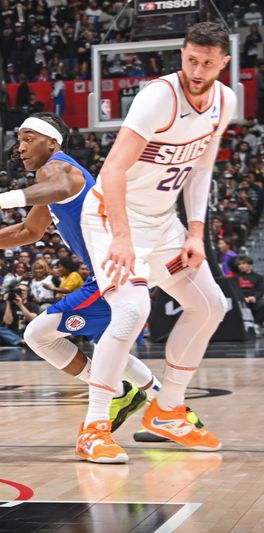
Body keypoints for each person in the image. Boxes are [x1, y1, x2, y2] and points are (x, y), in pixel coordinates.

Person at [0, 112, 169, 457]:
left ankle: (123, 396)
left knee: (38, 334)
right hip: (118, 272)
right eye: (19, 141)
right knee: (111, 346)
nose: (21, 147)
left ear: (53, 142)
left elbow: (60, 186)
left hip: (109, 274)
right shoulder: (52, 183)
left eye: (29, 138)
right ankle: (165, 406)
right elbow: (27, 232)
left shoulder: (58, 168)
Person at [78, 23, 235, 461]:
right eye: (191, 60)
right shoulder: (158, 98)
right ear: (181, 55)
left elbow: (201, 170)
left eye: (207, 62)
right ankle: (93, 428)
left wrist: (197, 233)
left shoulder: (225, 101)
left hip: (164, 224)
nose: (198, 70)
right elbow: (111, 170)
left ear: (223, 62)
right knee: (132, 310)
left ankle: (167, 411)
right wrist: (123, 238)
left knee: (210, 306)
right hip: (113, 216)